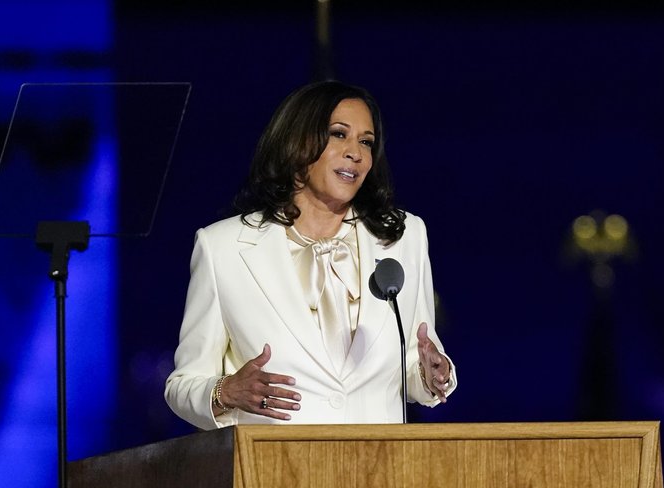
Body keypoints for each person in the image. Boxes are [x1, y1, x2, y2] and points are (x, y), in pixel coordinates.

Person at [164, 81, 456, 429]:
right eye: (338, 134)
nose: (356, 153)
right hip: (275, 472)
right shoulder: (223, 248)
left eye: (366, 141)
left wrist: (432, 372)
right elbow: (182, 385)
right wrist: (224, 392)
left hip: (380, 471)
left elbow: (413, 362)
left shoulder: (404, 237)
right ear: (297, 141)